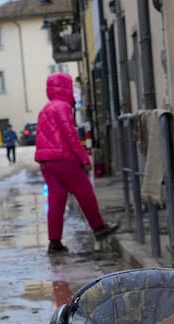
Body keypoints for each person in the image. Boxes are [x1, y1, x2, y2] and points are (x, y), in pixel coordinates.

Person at [35, 73, 117, 254]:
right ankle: (99, 228)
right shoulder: (63, 107)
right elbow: (70, 136)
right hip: (63, 159)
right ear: (67, 88)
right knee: (84, 191)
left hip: (46, 162)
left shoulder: (45, 109)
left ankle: (54, 241)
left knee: (56, 200)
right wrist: (84, 159)